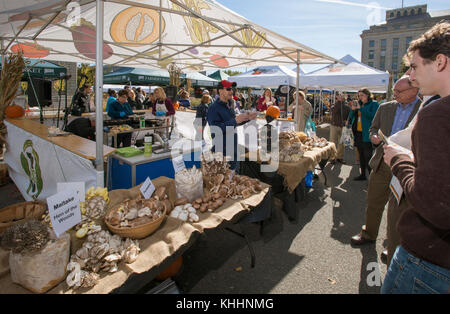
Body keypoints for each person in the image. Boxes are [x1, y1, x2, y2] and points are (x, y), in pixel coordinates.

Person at [381, 22, 450, 294]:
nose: (410, 75)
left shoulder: (437, 113)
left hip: (428, 264)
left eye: (415, 66)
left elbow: (436, 205)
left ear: (440, 62)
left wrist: (400, 160)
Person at [350, 77, 421, 255]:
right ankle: (368, 233)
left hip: (407, 166)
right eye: (394, 91)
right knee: (374, 201)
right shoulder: (386, 107)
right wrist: (374, 136)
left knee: (399, 211)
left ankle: (393, 245)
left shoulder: (425, 110)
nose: (394, 94)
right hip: (382, 163)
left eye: (399, 91)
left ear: (414, 91)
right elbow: (373, 128)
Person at [207, 80, 257, 172]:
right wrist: (234, 121)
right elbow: (215, 130)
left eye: (232, 89)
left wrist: (247, 118)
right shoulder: (213, 108)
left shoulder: (229, 105)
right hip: (221, 153)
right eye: (228, 89)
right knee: (223, 183)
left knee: (233, 180)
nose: (231, 91)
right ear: (220, 91)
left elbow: (234, 123)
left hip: (233, 151)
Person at [347, 88, 379, 180]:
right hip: (358, 133)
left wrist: (361, 109)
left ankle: (372, 178)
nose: (360, 97)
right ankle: (363, 175)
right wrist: (353, 110)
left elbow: (373, 116)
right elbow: (352, 116)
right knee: (361, 155)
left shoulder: (374, 104)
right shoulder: (359, 104)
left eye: (362, 95)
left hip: (367, 133)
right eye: (359, 96)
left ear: (368, 95)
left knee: (368, 156)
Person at [329, 92, 350, 164]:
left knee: (342, 143)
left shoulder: (347, 106)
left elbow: (348, 116)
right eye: (339, 95)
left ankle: (339, 157)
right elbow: (334, 111)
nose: (341, 97)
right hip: (334, 125)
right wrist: (339, 102)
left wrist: (347, 122)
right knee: (332, 142)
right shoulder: (334, 104)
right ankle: (332, 157)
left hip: (343, 126)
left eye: (343, 95)